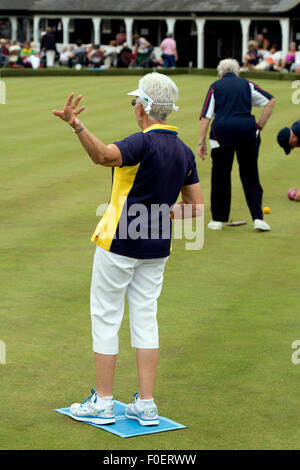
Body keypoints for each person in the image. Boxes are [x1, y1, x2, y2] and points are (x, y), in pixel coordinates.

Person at [52, 72, 203, 426]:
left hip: (118, 240)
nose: (134, 106)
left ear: (144, 108)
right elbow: (195, 208)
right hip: (157, 246)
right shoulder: (182, 151)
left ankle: (104, 401)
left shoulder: (142, 142)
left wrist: (77, 126)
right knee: (145, 316)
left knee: (106, 315)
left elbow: (103, 156)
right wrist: (158, 213)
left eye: (136, 101)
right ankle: (146, 403)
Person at [198, 58, 276, 231]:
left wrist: (201, 142)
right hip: (247, 132)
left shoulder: (215, 86)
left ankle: (218, 220)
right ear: (236, 72)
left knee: (220, 175)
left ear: (220, 74)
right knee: (250, 174)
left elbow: (206, 117)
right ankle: (258, 218)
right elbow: (270, 100)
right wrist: (260, 125)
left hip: (221, 133)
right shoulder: (246, 84)